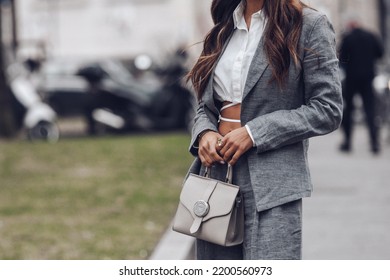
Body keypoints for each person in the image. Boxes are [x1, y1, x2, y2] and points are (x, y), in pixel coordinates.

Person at [184, 0, 343, 260]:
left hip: (272, 181)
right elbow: (207, 105)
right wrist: (204, 133)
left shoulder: (309, 24)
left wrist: (255, 132)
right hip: (216, 174)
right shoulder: (224, 26)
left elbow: (327, 109)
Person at [339, 20, 384, 154]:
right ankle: (374, 143)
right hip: (368, 77)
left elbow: (342, 58)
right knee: (370, 110)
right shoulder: (371, 36)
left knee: (348, 109)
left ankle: (347, 142)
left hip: (351, 77)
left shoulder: (348, 38)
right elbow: (380, 53)